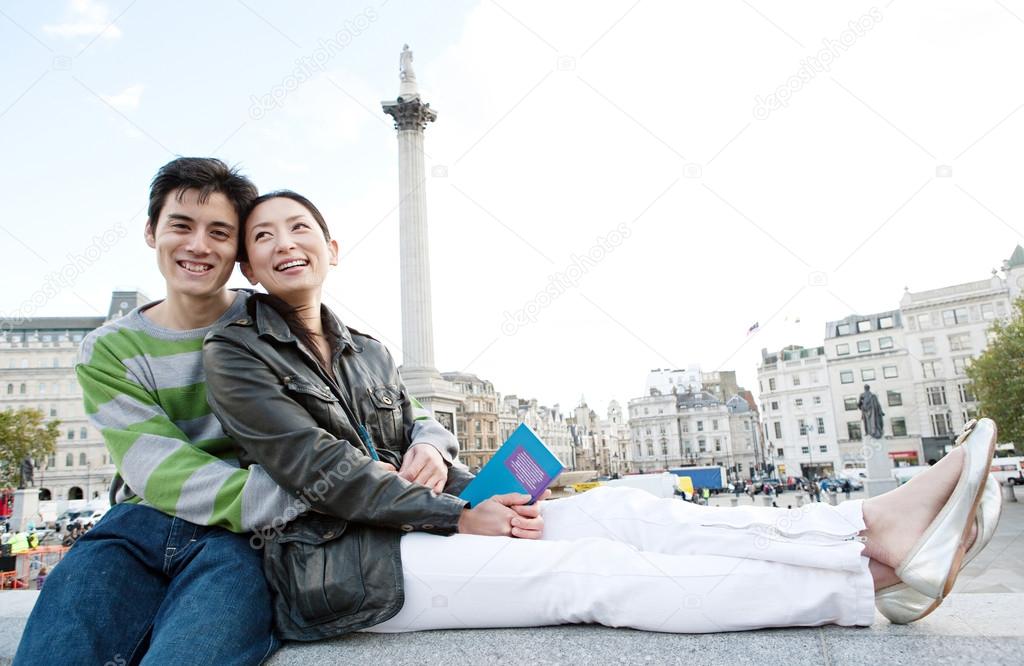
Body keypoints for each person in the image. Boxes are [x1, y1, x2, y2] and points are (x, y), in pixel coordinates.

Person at [203, 190, 1002, 635]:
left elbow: (415, 437)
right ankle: (863, 584)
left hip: (422, 521)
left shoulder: (370, 350)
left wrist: (463, 476)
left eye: (301, 226)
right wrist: (456, 515)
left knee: (624, 510)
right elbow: (321, 472)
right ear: (248, 262)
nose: (284, 242)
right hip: (345, 568)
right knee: (586, 574)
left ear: (333, 247)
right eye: (264, 235)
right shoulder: (235, 354)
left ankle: (868, 532)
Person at [14, 159, 462, 666]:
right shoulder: (108, 350)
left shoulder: (275, 319)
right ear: (150, 232)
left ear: (240, 252)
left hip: (244, 540)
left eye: (220, 233)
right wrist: (322, 495)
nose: (199, 246)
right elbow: (160, 470)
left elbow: (380, 387)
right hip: (140, 526)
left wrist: (429, 440)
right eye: (181, 226)